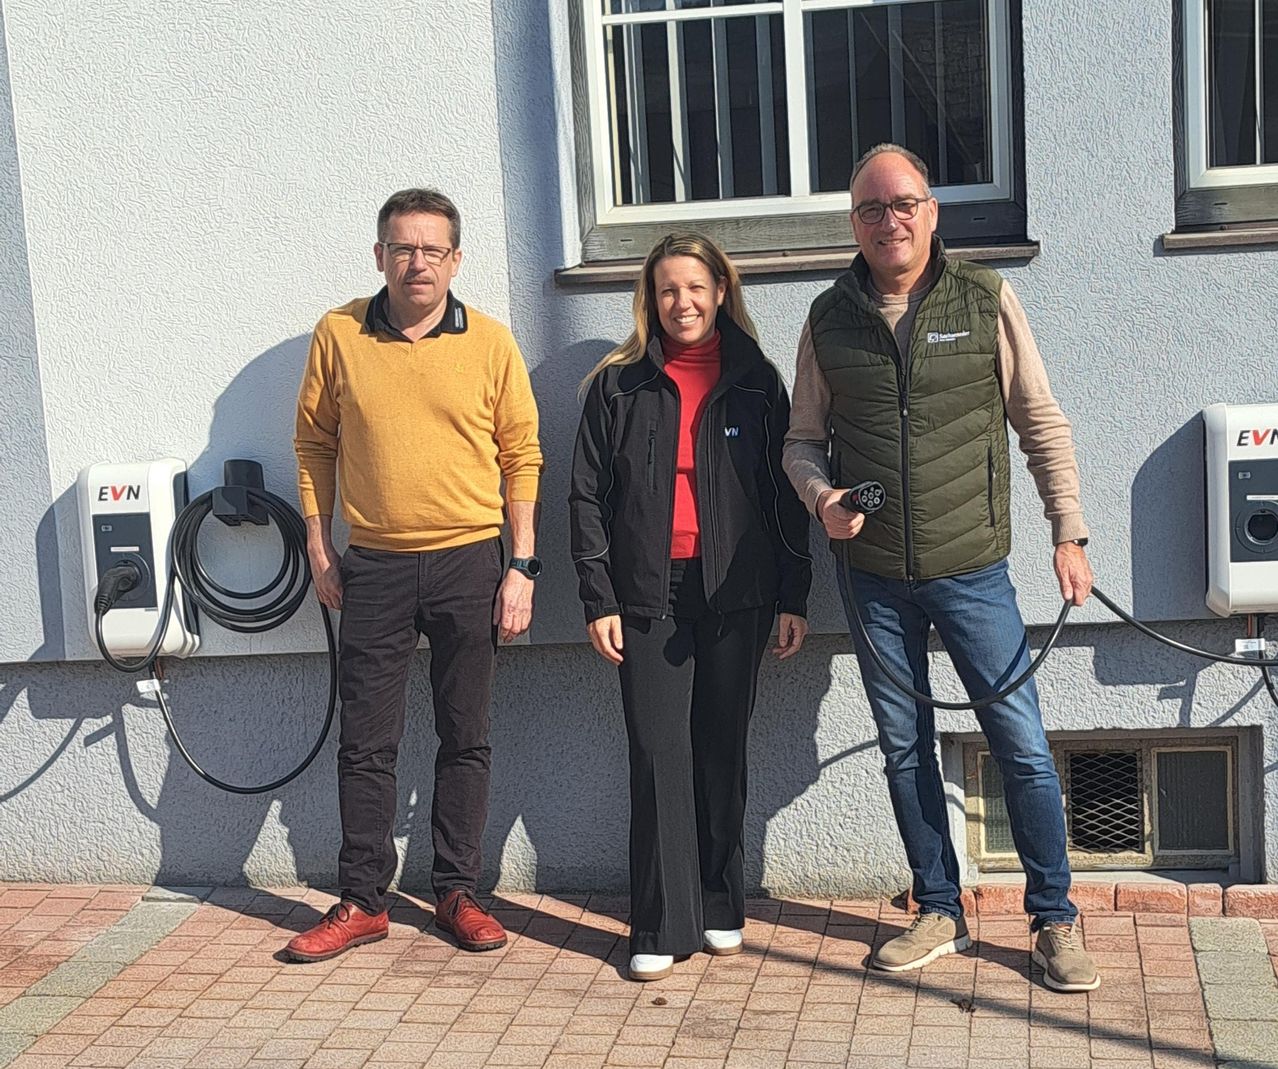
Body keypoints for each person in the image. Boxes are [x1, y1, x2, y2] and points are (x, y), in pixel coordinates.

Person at [783, 144, 1101, 993]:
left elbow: (1040, 419)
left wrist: (1068, 532)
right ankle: (936, 907)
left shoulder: (985, 297)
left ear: (933, 212)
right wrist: (823, 500)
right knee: (902, 747)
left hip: (972, 570)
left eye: (904, 204)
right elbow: (801, 441)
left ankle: (1055, 917)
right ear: (853, 223)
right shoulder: (827, 317)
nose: (889, 220)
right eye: (870, 209)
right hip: (874, 577)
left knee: (1022, 745)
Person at [286, 188, 543, 961]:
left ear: (456, 260)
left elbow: (521, 454)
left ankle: (457, 891)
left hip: (471, 561)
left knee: (466, 734)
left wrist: (521, 564)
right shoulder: (338, 334)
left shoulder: (491, 343)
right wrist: (319, 545)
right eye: (402, 247)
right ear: (379, 256)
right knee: (366, 742)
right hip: (375, 565)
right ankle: (362, 898)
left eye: (433, 249)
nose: (417, 261)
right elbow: (312, 444)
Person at [570, 233, 812, 982]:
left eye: (696, 287)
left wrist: (793, 597)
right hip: (648, 593)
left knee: (719, 749)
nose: (683, 303)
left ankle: (717, 900)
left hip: (735, 592)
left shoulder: (756, 381)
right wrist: (598, 594)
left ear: (720, 291)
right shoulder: (617, 385)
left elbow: (785, 499)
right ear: (651, 298)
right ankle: (660, 919)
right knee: (656, 751)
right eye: (669, 290)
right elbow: (585, 496)